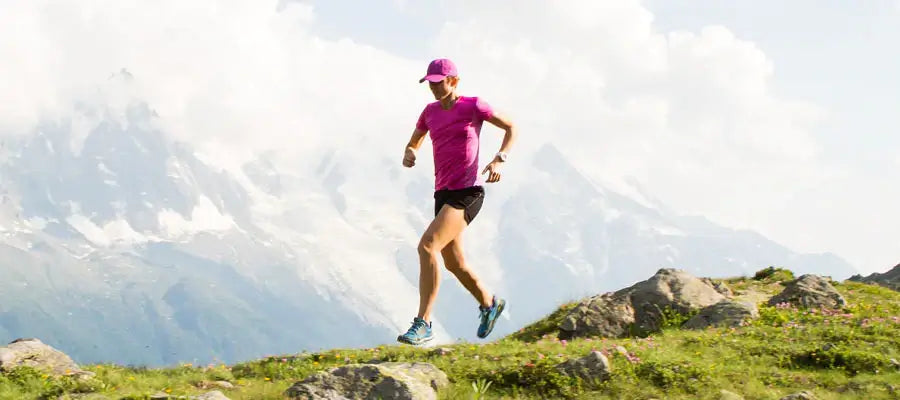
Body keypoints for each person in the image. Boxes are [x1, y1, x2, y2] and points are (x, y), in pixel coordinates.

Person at [397, 58, 517, 345]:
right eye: (431, 84)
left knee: (427, 246)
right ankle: (489, 304)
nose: (434, 88)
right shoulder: (430, 112)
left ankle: (423, 323)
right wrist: (410, 152)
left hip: (468, 192)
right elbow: (414, 141)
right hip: (443, 193)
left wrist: (499, 159)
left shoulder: (474, 106)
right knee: (454, 262)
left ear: (454, 81)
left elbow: (511, 127)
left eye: (439, 83)